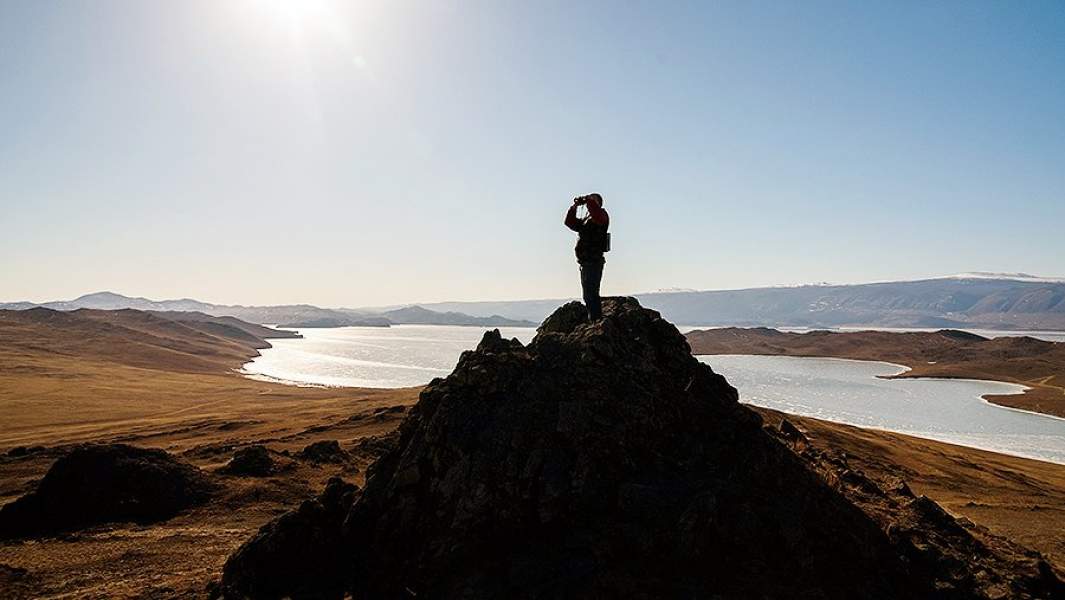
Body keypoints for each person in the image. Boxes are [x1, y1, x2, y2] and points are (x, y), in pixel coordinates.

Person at [564, 193, 610, 320]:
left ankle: (596, 320)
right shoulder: (587, 220)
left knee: (591, 293)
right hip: (585, 262)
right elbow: (569, 222)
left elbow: (596, 213)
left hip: (594, 261)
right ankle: (594, 319)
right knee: (588, 294)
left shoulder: (602, 215)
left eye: (593, 200)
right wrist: (574, 207)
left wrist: (589, 200)